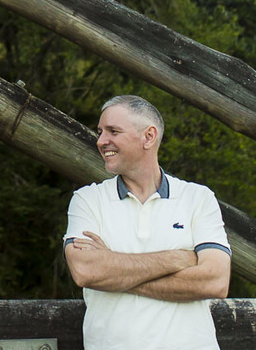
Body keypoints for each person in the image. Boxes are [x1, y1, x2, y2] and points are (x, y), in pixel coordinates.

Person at [64, 95, 231, 350]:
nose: (101, 141)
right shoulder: (88, 199)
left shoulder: (198, 198)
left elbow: (215, 281)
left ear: (149, 137)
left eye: (113, 131)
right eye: (100, 132)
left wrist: (115, 273)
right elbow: (86, 271)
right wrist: (178, 258)